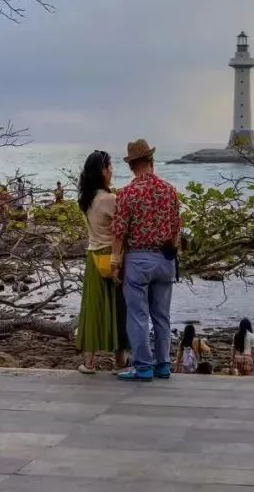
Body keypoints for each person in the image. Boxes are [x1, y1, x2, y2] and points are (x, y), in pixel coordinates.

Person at [112, 139, 181, 382]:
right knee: (162, 315)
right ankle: (163, 364)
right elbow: (176, 230)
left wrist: (115, 264)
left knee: (138, 315)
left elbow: (119, 232)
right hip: (164, 259)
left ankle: (143, 367)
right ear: (151, 161)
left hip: (138, 259)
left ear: (131, 166)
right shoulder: (169, 191)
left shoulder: (127, 193)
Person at [74, 151, 128, 374]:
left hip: (93, 256)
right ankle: (120, 361)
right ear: (102, 171)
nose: (111, 171)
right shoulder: (109, 199)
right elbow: (122, 229)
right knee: (118, 308)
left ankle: (89, 362)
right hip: (112, 255)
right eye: (109, 167)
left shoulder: (85, 199)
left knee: (92, 308)